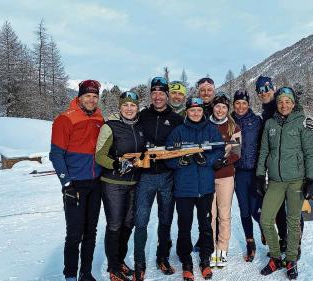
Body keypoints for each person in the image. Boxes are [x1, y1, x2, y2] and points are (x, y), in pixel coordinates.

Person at [255, 75, 313, 259]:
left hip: (295, 178)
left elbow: (309, 152)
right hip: (276, 177)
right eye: (260, 90)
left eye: (267, 89)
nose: (264, 92)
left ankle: (293, 250)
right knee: (272, 217)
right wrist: (261, 175)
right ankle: (280, 246)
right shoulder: (268, 119)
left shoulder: (300, 120)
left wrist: (311, 179)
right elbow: (265, 149)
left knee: (293, 218)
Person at [50, 80, 104, 281]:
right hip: (75, 185)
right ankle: (70, 275)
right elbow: (56, 155)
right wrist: (66, 184)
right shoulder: (65, 119)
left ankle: (86, 273)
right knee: (74, 234)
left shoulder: (99, 118)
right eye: (88, 96)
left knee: (91, 231)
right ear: (79, 97)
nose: (91, 100)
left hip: (95, 183)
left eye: (95, 96)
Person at [166, 97, 224, 281]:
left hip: (205, 188)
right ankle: (186, 261)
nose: (196, 113)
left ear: (202, 111)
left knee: (206, 225)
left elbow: (219, 150)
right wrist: (179, 161)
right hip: (184, 189)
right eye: (192, 110)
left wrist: (206, 160)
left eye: (199, 110)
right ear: (187, 112)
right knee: (184, 226)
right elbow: (167, 155)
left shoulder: (211, 129)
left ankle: (205, 259)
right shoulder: (178, 132)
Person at [133, 77, 184, 279]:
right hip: (145, 176)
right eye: (154, 93)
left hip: (167, 176)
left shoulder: (176, 119)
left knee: (165, 219)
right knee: (141, 221)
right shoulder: (141, 116)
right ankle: (139, 263)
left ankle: (162, 257)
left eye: (161, 93)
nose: (157, 96)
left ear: (167, 95)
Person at [95, 91, 144, 281]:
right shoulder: (110, 126)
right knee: (115, 225)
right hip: (113, 183)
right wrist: (116, 164)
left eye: (133, 105)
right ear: (120, 107)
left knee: (128, 224)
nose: (129, 109)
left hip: (133, 182)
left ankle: (120, 261)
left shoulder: (140, 126)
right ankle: (113, 268)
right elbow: (100, 155)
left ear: (137, 107)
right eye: (126, 105)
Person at [208, 92, 241, 267]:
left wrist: (223, 161)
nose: (220, 110)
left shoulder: (233, 127)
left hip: (225, 177)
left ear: (227, 109)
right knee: (210, 215)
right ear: (213, 107)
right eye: (217, 106)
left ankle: (221, 251)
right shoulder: (205, 125)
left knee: (224, 214)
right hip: (207, 177)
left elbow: (236, 153)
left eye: (224, 107)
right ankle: (211, 249)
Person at [230, 89, 263, 262]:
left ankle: (264, 229)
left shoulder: (257, 121)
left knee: (256, 209)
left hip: (255, 171)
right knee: (244, 209)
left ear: (248, 104)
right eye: (237, 103)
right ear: (233, 104)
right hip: (239, 172)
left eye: (244, 103)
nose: (241, 106)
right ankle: (250, 242)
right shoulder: (229, 121)